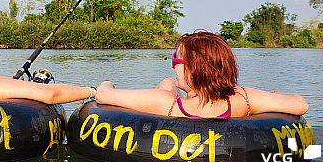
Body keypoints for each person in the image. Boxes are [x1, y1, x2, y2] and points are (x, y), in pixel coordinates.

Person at [95, 30, 309, 117]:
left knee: (167, 83)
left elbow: (102, 95)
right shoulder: (243, 99)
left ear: (193, 68)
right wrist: (273, 97)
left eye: (176, 61)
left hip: (174, 108)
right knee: (170, 82)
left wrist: (108, 82)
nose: (173, 66)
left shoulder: (165, 103)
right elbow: (300, 104)